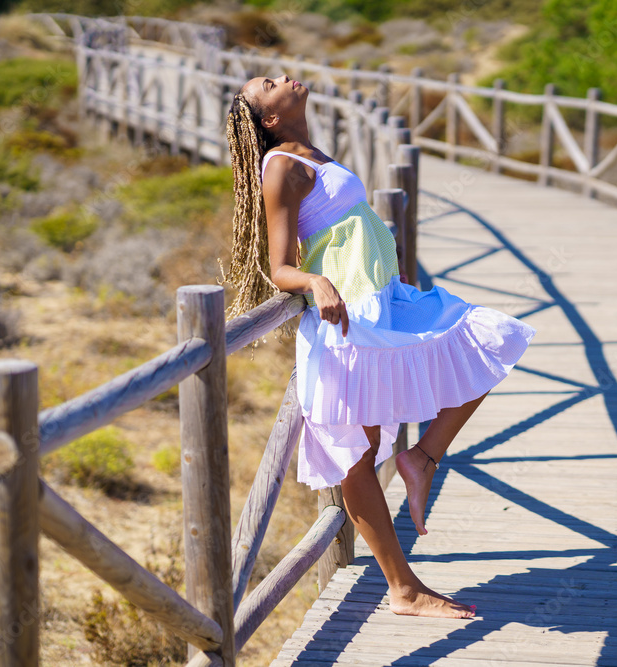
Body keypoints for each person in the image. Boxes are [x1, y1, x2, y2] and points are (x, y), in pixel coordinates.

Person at [223, 73, 537, 619]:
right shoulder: (281, 168)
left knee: (488, 337)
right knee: (357, 459)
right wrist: (315, 283)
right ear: (268, 118)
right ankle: (404, 589)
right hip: (354, 319)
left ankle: (421, 457)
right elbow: (278, 267)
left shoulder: (311, 153)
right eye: (268, 83)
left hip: (384, 300)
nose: (283, 75)